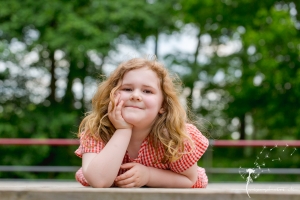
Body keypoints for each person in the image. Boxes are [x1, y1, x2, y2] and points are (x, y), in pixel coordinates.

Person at [74, 57, 209, 188]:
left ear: (163, 105)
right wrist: (123, 130)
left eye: (147, 91)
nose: (136, 96)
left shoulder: (175, 135)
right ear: (111, 95)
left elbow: (189, 180)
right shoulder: (97, 130)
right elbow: (99, 181)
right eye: (127, 89)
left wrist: (148, 176)